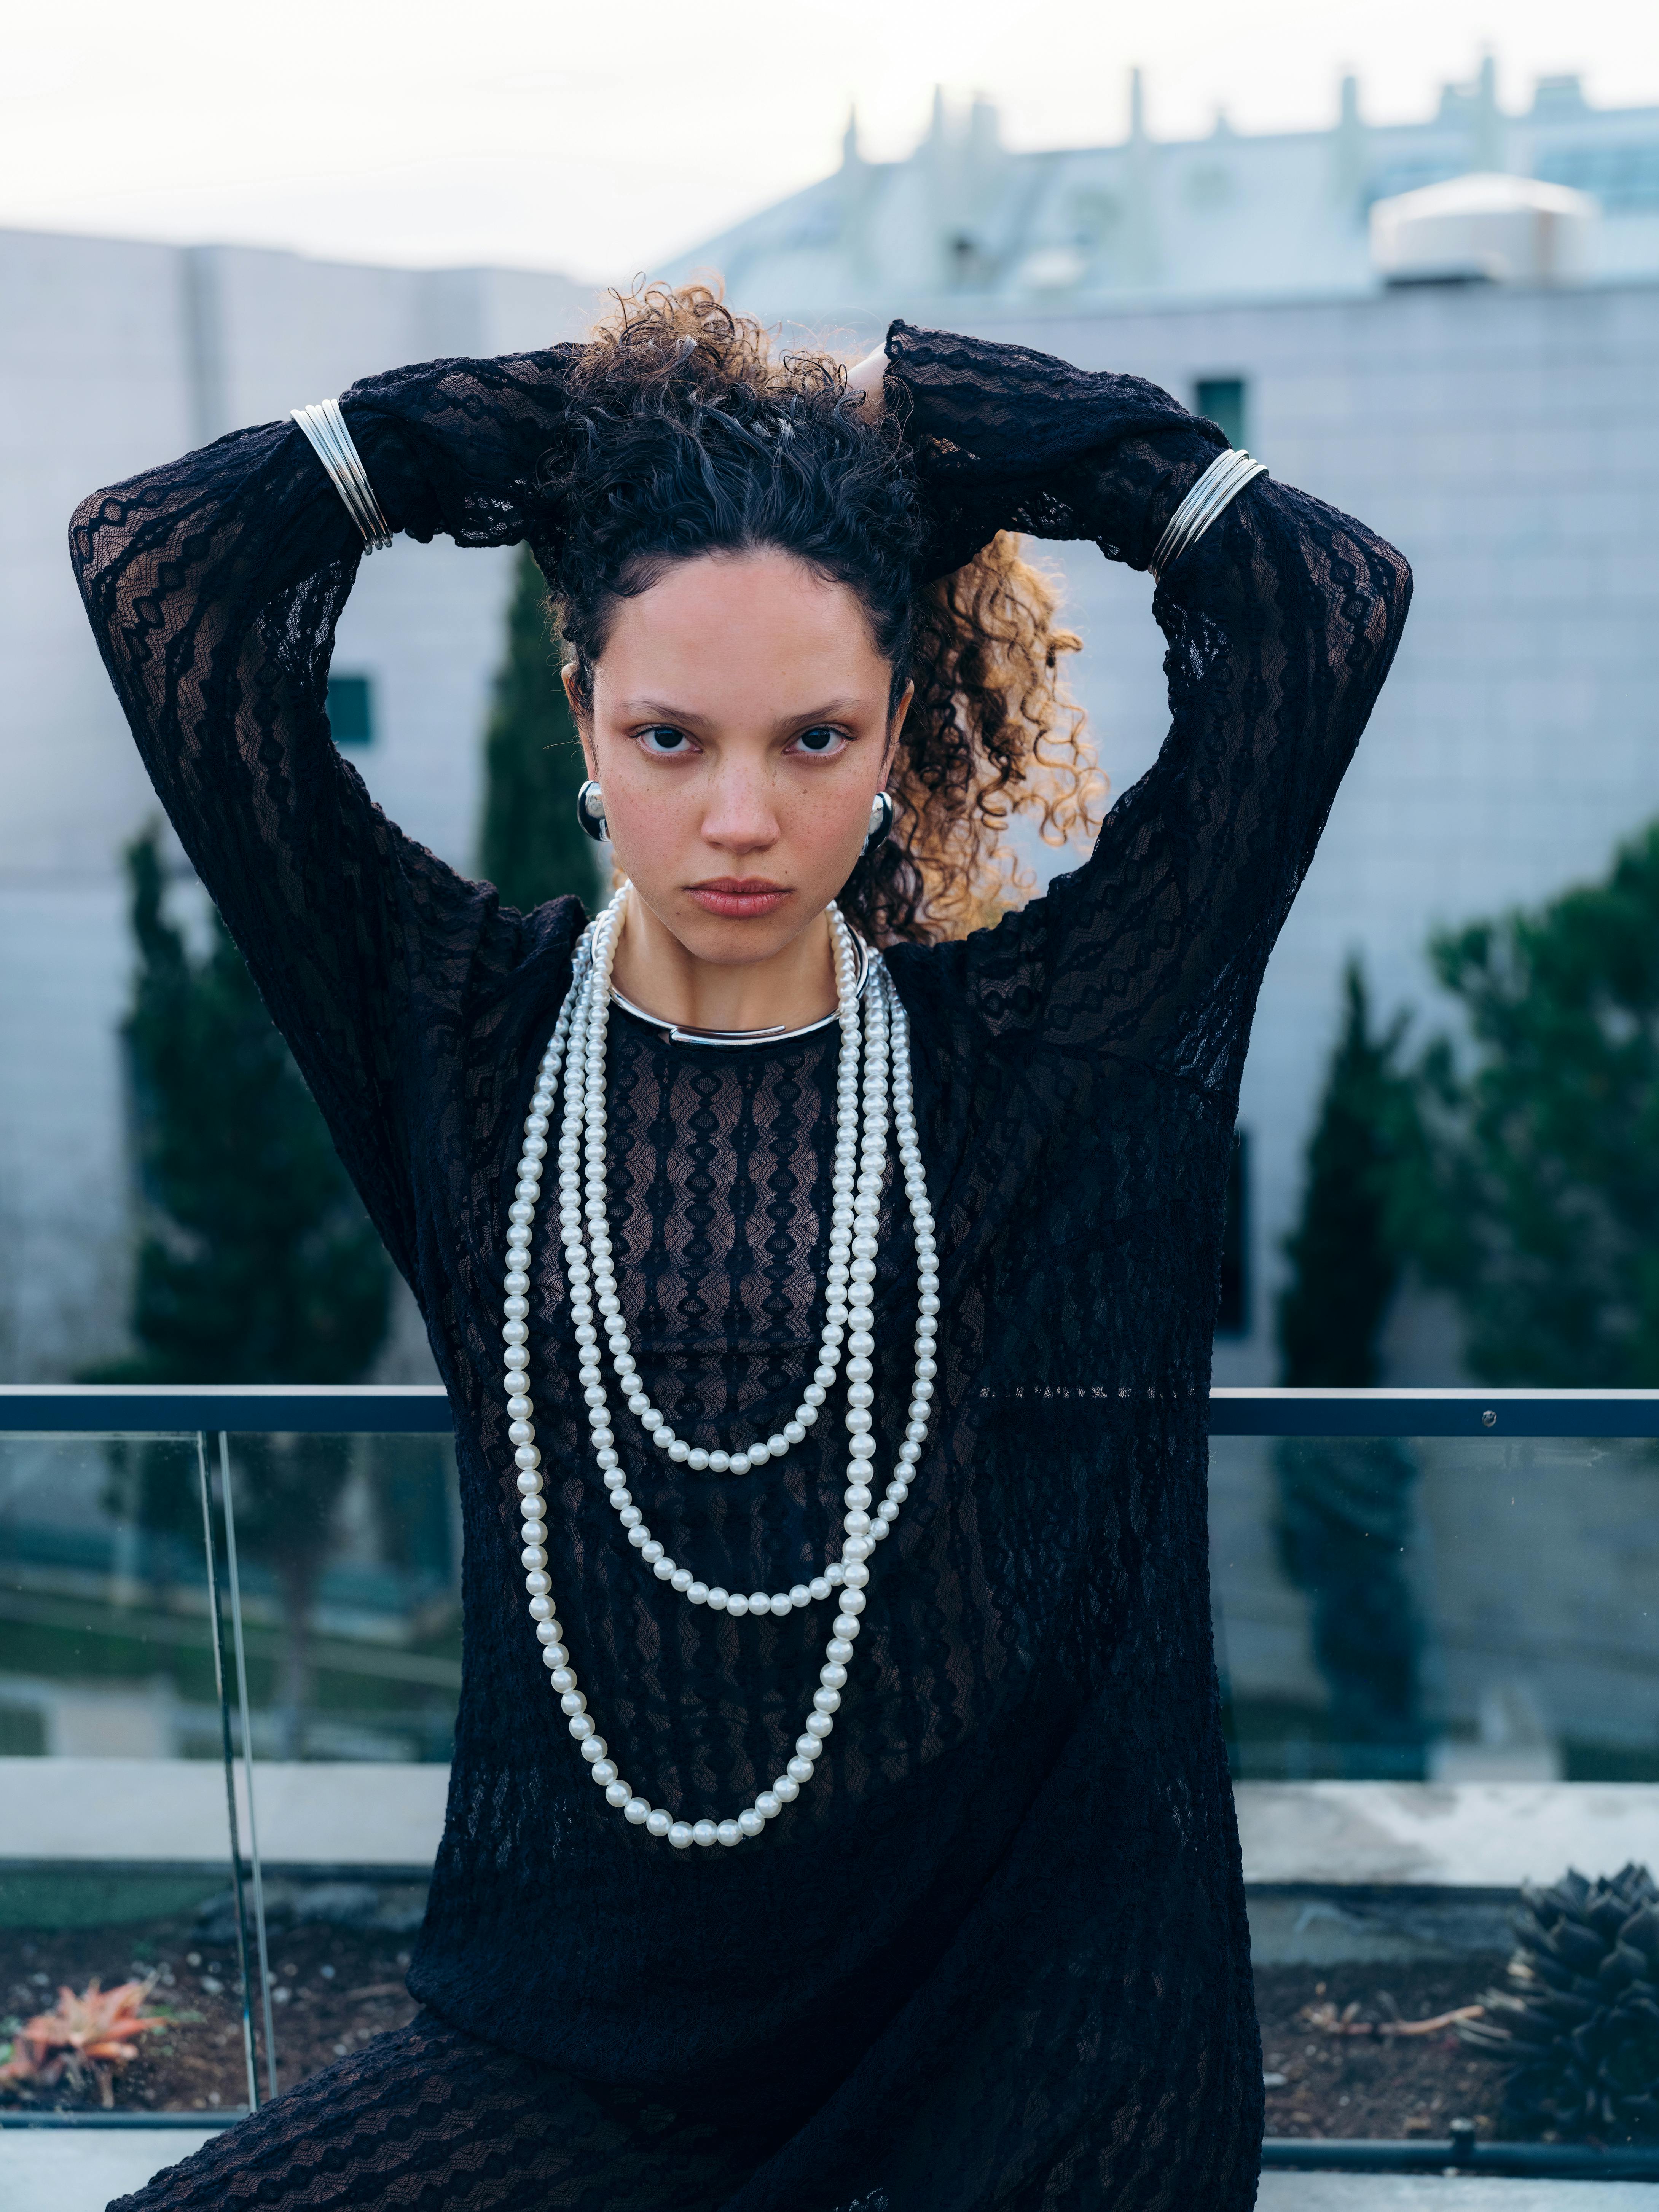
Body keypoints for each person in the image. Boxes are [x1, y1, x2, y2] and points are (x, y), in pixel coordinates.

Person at [73, 286, 1410, 2211]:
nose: (738, 817)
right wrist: (568, 422)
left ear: (894, 732)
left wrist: (953, 405)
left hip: (1016, 2019)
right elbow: (161, 567)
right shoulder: (449, 1035)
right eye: (670, 733)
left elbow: (1321, 598)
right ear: (582, 725)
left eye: (813, 737)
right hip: (579, 2034)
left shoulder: (1041, 1058)